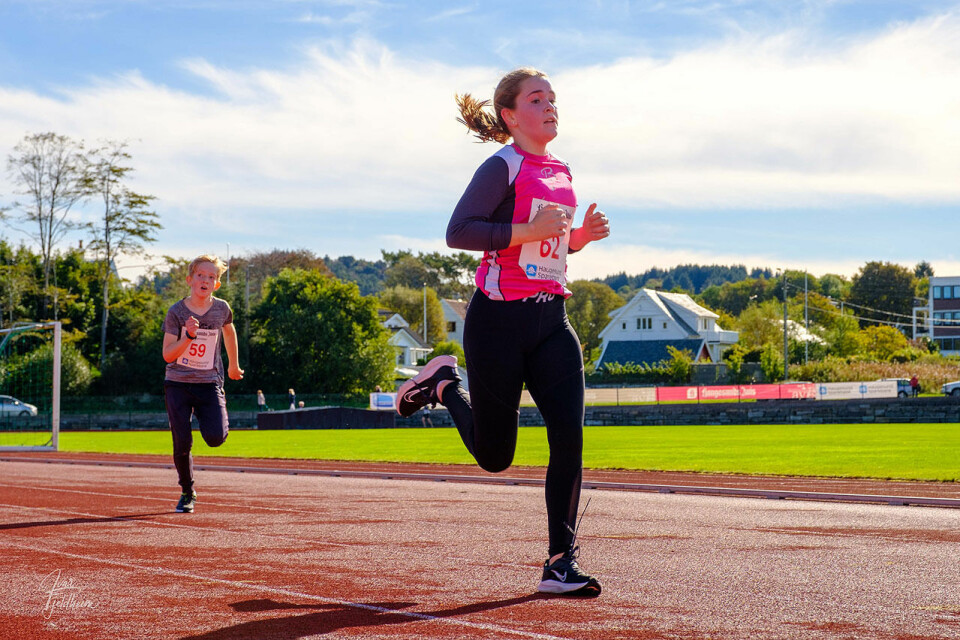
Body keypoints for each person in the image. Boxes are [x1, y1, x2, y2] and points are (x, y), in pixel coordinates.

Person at [397, 68, 610, 597]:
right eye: (537, 99)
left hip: (552, 319)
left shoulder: (561, 168)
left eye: (553, 98)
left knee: (570, 437)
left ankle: (559, 563)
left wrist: (578, 239)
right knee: (496, 457)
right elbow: (459, 231)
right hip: (498, 322)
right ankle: (445, 386)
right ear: (511, 116)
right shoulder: (502, 166)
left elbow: (549, 245)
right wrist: (527, 231)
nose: (551, 105)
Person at [162, 255, 243, 513]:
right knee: (182, 442)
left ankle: (207, 412)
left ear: (217, 284)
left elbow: (229, 331)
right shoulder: (176, 312)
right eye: (200, 275)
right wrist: (188, 336)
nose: (205, 280)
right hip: (178, 384)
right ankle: (187, 491)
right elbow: (168, 355)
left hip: (208, 383)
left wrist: (233, 365)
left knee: (216, 438)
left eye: (211, 277)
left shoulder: (221, 309)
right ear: (190, 280)